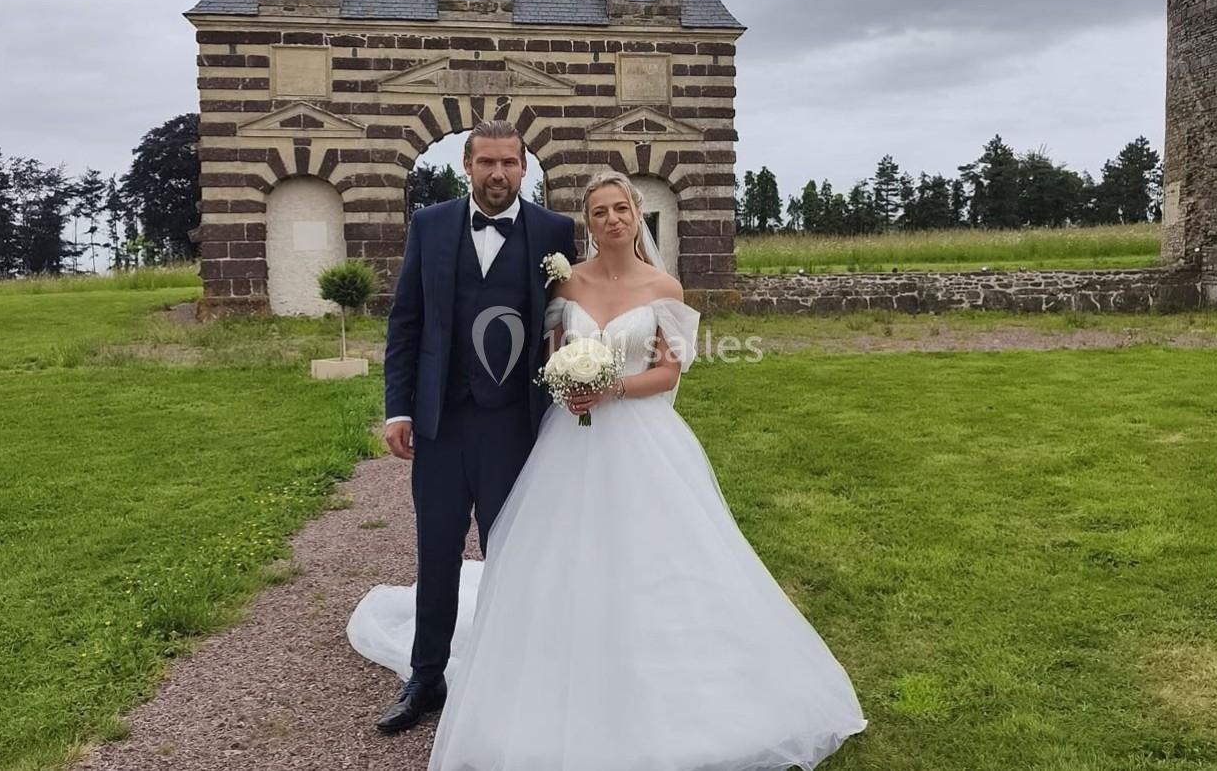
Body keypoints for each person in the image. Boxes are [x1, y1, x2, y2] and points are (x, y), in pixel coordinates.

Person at [353, 170, 867, 769]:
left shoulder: (664, 285)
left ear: (637, 215)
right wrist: (569, 384)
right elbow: (545, 360)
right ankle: (528, 666)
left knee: (651, 557)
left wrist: (610, 387)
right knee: (557, 554)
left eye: (620, 209)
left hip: (639, 438)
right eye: (598, 213)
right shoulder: (566, 285)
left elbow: (668, 372)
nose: (611, 220)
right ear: (588, 224)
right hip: (568, 441)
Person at [376, 119, 578, 734]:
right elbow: (405, 322)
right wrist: (399, 408)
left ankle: (513, 674)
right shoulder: (430, 225)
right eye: (486, 163)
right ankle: (427, 677)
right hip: (440, 423)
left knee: (511, 554)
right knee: (436, 552)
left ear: (525, 168)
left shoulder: (555, 232)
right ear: (467, 165)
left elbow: (566, 321)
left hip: (516, 427)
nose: (498, 174)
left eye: (509, 164)